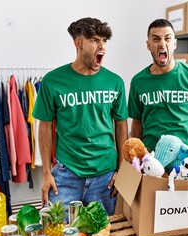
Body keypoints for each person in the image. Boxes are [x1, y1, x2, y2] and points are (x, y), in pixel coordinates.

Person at [32, 17, 128, 216]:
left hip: (106, 176)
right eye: (94, 40)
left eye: (104, 41)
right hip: (66, 175)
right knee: (59, 232)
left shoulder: (115, 82)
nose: (101, 46)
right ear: (78, 42)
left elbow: (121, 126)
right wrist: (46, 173)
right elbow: (44, 127)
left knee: (101, 233)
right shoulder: (53, 81)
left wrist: (121, 169)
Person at [128, 19, 188, 152]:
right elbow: (137, 124)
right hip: (151, 160)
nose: (162, 44)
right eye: (156, 39)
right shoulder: (138, 81)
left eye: (167, 39)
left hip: (186, 160)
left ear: (174, 43)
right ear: (148, 45)